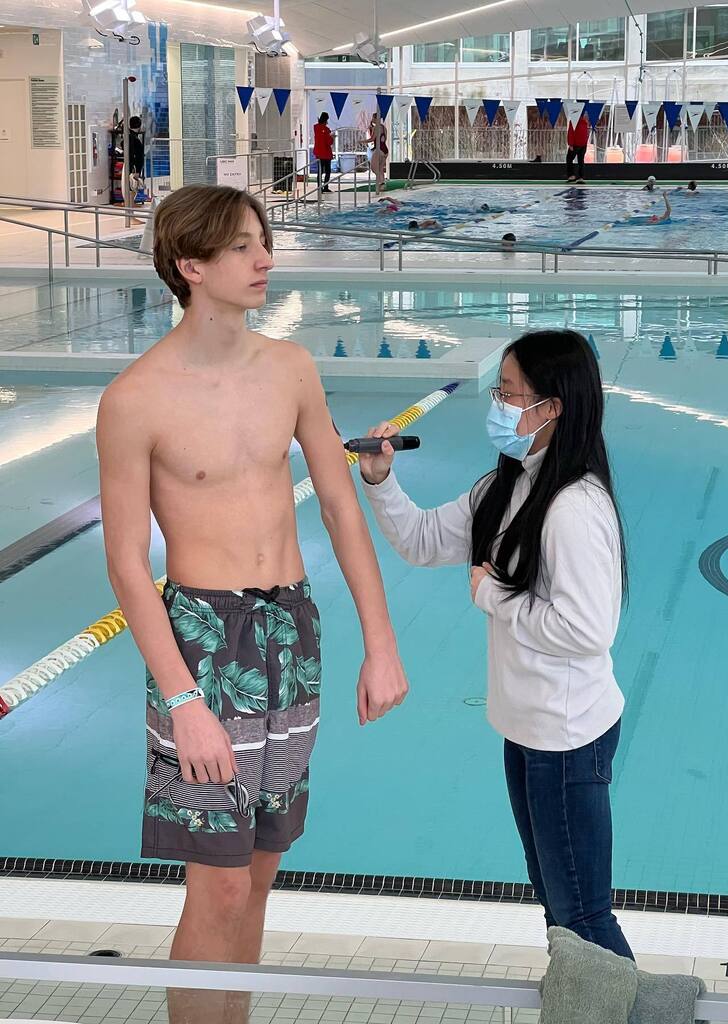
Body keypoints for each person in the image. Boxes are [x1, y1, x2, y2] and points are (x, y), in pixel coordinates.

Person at [96, 184, 409, 1023]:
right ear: (190, 265)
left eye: (261, 240)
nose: (264, 258)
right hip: (204, 643)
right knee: (221, 888)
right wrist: (182, 701)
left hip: (291, 631)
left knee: (262, 872)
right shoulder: (135, 400)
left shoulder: (290, 369)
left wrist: (381, 644)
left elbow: (339, 506)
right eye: (241, 246)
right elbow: (125, 565)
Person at [358, 330, 634, 960]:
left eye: (508, 393)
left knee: (583, 914)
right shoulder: (505, 486)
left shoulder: (573, 507)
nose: (498, 405)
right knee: (559, 905)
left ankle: (618, 1000)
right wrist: (380, 480)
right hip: (526, 730)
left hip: (567, 737)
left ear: (551, 407)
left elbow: (588, 631)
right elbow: (423, 541)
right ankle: (579, 996)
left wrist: (494, 596)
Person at [566, 112, 591, 184]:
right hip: (583, 145)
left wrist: (570, 144)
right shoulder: (584, 122)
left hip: (575, 144)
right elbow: (586, 134)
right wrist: (585, 143)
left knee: (569, 159)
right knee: (581, 161)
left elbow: (571, 133)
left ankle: (571, 176)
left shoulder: (573, 122)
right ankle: (581, 177)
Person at [313, 111, 335, 193]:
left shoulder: (316, 128)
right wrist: (332, 137)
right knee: (327, 171)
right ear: (326, 120)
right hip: (326, 153)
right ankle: (325, 187)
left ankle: (319, 187)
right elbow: (329, 142)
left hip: (318, 153)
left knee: (320, 171)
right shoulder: (325, 130)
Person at [368, 111, 389, 194]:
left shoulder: (376, 128)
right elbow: (384, 139)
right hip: (385, 150)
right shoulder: (384, 128)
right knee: (380, 169)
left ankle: (381, 182)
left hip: (378, 150)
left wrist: (361, 141)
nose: (372, 119)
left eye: (373, 118)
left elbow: (372, 139)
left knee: (374, 168)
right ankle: (382, 184)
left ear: (376, 119)